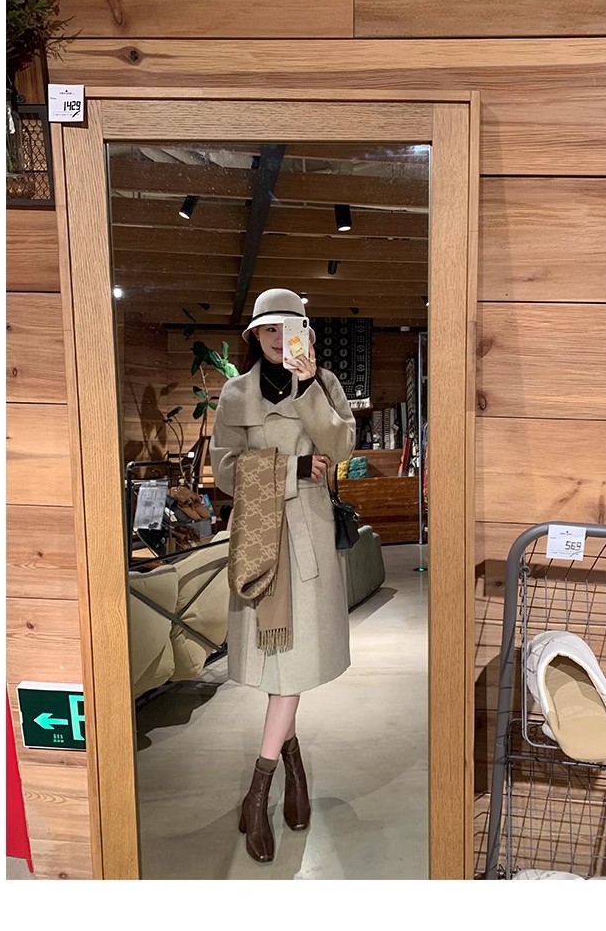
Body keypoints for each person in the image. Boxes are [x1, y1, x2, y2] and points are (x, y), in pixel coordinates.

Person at [210, 288, 356, 863]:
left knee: (288, 668)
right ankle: (289, 768)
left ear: (307, 335)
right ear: (254, 336)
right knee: (281, 667)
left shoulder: (325, 383)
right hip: (260, 538)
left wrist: (313, 385)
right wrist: (290, 468)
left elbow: (341, 446)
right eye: (268, 329)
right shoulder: (235, 394)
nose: (279, 339)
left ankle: (260, 791)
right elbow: (224, 470)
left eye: (289, 329)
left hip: (308, 539)